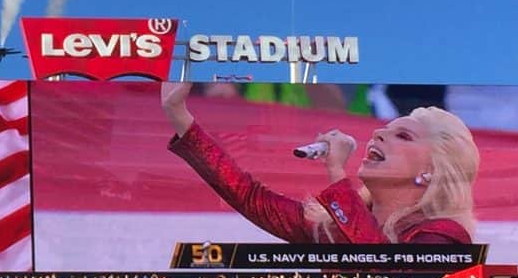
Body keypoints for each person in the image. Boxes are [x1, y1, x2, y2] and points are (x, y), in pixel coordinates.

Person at [161, 82, 479, 244]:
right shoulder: (331, 227)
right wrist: (180, 116)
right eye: (385, 128)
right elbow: (251, 196)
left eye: (404, 136)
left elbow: (384, 271)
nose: (379, 133)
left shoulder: (441, 234)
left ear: (431, 172)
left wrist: (337, 172)